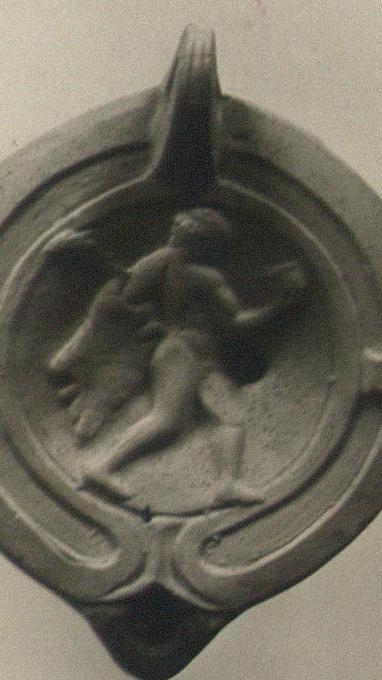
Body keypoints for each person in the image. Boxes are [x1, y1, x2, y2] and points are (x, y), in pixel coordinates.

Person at [79, 207, 306, 506]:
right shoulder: (205, 277)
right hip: (184, 351)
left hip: (193, 353)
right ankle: (101, 467)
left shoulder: (161, 264)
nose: (174, 233)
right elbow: (236, 321)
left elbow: (130, 296)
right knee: (166, 420)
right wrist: (277, 305)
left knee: (229, 416)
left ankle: (227, 485)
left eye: (178, 230)